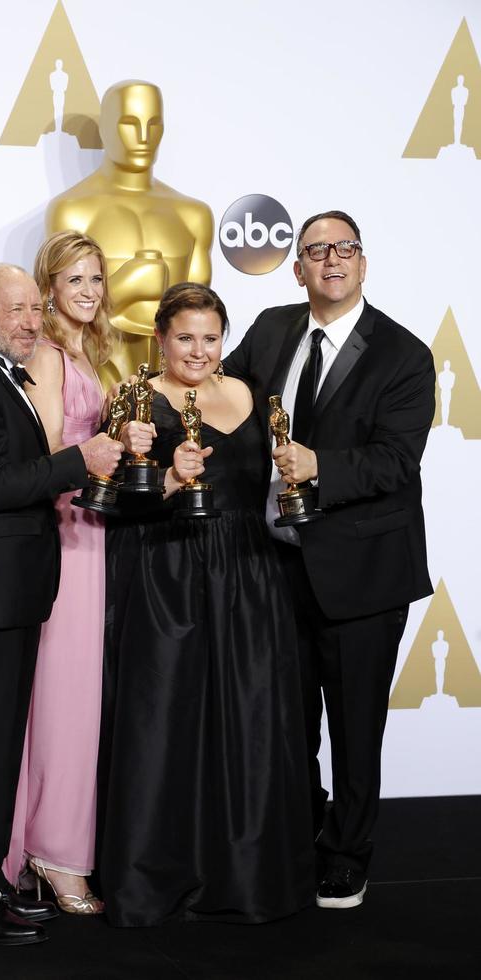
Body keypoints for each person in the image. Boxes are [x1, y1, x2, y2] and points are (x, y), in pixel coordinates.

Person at [224, 210, 435, 909]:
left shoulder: (403, 355)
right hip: (277, 567)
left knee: (353, 725)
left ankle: (348, 852)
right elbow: (224, 402)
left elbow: (395, 462)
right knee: (285, 719)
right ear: (298, 268)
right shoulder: (270, 330)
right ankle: (301, 830)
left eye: (344, 248)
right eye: (316, 250)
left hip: (363, 574)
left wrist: (319, 466)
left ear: (364, 263)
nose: (332, 260)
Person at [97, 282, 314, 927]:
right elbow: (112, 500)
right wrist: (166, 476)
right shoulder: (136, 402)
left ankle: (247, 876)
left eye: (210, 337)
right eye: (184, 337)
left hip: (250, 575)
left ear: (226, 339)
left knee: (250, 720)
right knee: (164, 719)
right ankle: (155, 880)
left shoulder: (252, 395)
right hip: (167, 570)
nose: (198, 350)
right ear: (160, 338)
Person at [0, 263, 122, 944]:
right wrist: (78, 460)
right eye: (16, 310)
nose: (31, 322)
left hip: (3, 595)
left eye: (37, 309)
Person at [4, 231, 114, 914]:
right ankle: (53, 852)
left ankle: (53, 844)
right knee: (65, 697)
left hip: (91, 534)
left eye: (97, 280)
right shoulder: (46, 357)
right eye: (76, 280)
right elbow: (46, 452)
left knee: (74, 695)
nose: (90, 292)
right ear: (48, 288)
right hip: (66, 536)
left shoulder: (86, 352)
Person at [46, 80, 213, 384]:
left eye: (153, 124)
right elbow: (57, 312)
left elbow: (200, 316)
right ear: (105, 129)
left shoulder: (193, 215)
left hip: (175, 384)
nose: (143, 137)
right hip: (98, 376)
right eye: (129, 123)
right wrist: (127, 285)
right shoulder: (73, 211)